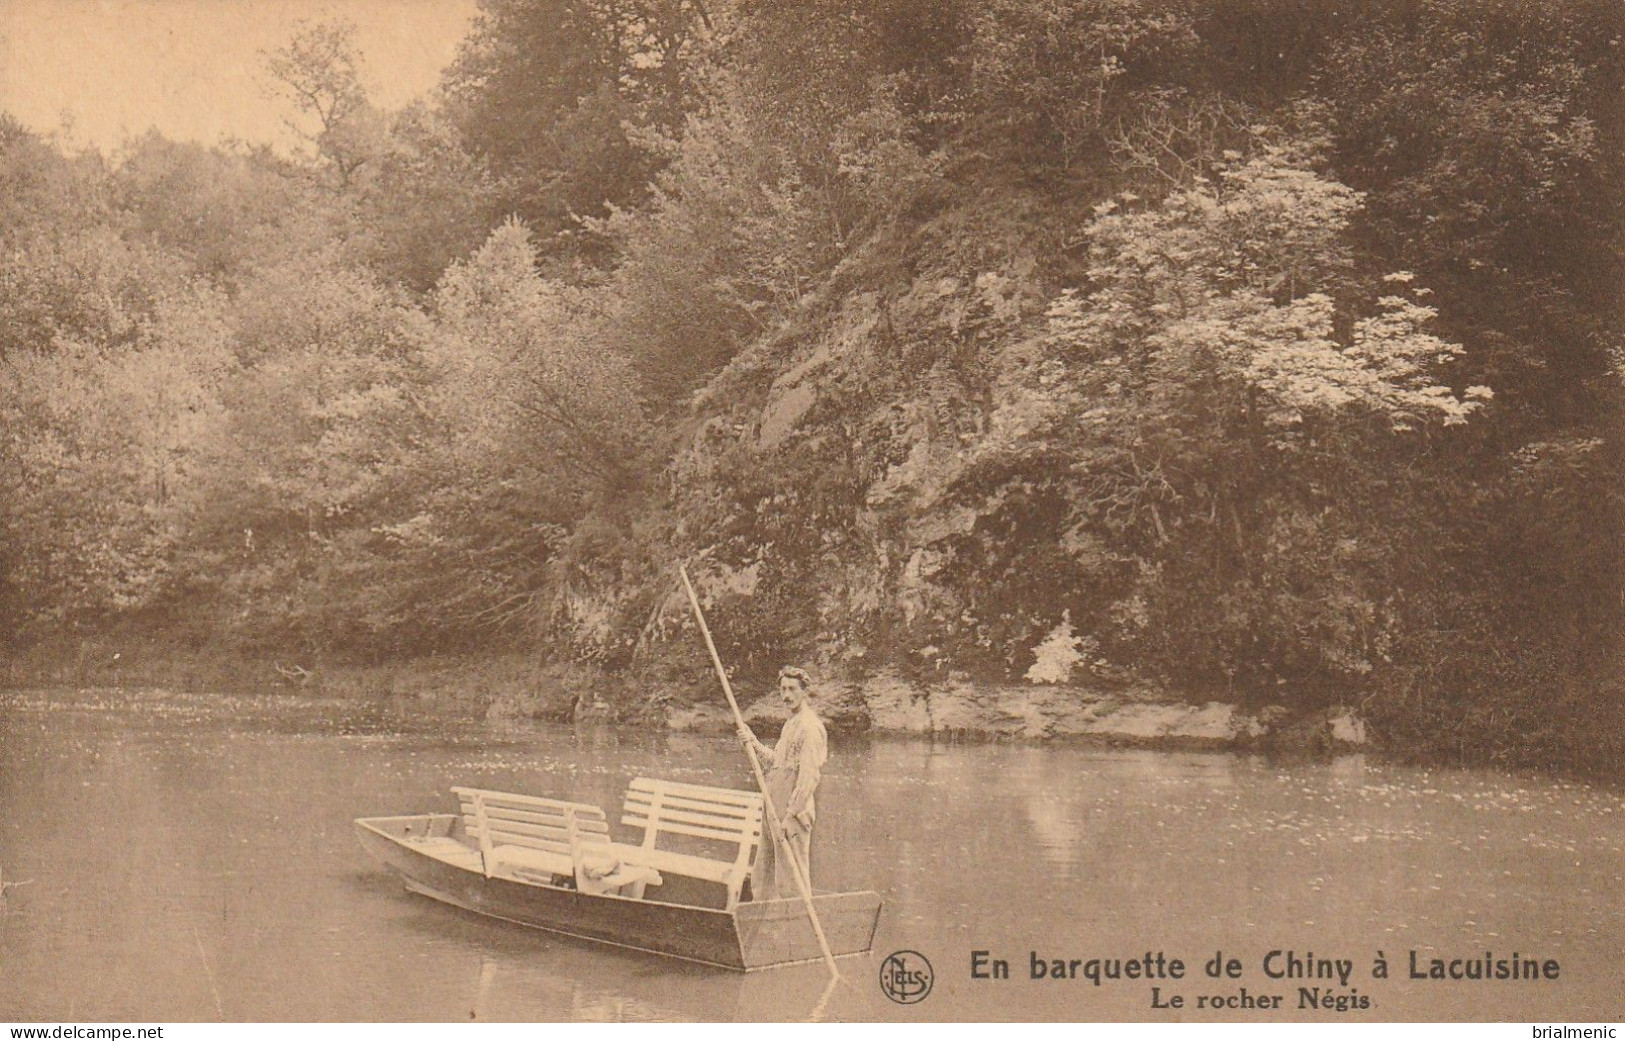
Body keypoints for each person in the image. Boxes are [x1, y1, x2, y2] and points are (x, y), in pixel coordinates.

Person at [738, 665, 828, 901]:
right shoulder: (790, 724)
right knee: (763, 878)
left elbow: (809, 777)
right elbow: (777, 762)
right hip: (773, 807)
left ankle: (798, 932)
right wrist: (754, 743)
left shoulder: (810, 727)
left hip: (792, 814)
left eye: (792, 689)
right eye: (783, 689)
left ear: (804, 691)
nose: (786, 695)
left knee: (791, 884)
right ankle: (765, 931)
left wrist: (790, 815)